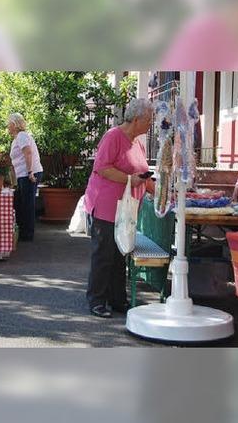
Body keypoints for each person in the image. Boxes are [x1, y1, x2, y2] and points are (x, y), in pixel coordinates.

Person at [83, 98, 155, 318]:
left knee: (119, 254)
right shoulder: (113, 136)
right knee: (104, 255)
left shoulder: (138, 142)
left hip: (125, 208)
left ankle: (117, 299)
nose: (151, 124)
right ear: (136, 119)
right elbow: (101, 168)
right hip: (106, 205)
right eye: (149, 120)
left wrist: (158, 191)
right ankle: (97, 300)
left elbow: (141, 174)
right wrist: (128, 180)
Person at [7, 113, 43, 242]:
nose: (7, 126)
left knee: (27, 204)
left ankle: (27, 234)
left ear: (15, 125)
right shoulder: (18, 137)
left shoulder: (22, 136)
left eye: (9, 123)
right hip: (23, 174)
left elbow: (28, 153)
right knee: (22, 203)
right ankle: (24, 232)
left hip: (28, 174)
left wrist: (30, 172)